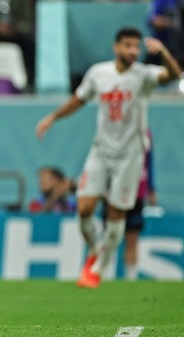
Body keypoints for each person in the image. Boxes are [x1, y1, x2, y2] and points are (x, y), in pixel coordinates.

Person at [35, 27, 181, 288]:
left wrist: (165, 54)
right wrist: (52, 118)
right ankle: (96, 250)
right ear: (116, 47)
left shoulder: (144, 76)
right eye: (127, 46)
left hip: (130, 155)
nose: (132, 51)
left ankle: (99, 267)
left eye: (136, 46)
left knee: (116, 214)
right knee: (84, 208)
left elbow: (174, 74)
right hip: (101, 151)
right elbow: (78, 100)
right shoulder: (98, 74)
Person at [101, 130, 156, 281]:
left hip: (136, 189)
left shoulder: (144, 132)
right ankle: (104, 273)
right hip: (113, 190)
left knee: (132, 236)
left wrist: (151, 187)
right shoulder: (110, 128)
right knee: (109, 235)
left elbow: (149, 161)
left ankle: (131, 277)